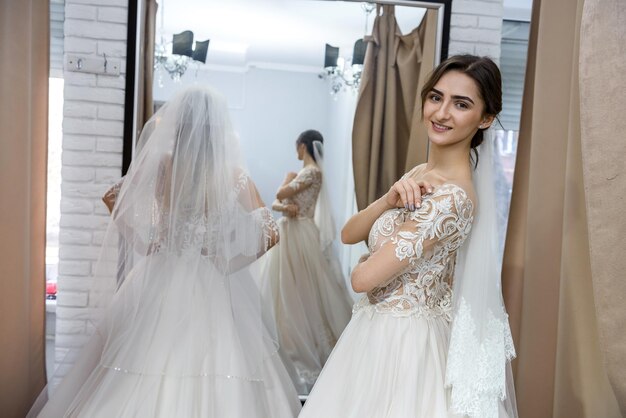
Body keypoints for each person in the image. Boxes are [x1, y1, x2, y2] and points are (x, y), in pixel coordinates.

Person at [34, 86, 301, 417]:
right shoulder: (232, 175)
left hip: (161, 273)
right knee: (222, 361)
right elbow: (272, 232)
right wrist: (228, 263)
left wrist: (147, 243)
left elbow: (112, 196)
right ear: (217, 129)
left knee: (142, 359)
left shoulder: (164, 166)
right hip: (211, 282)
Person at [300, 55, 518, 418]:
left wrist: (372, 259)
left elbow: (362, 279)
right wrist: (388, 199)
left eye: (461, 104)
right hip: (376, 334)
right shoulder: (421, 173)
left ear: (485, 118)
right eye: (436, 97)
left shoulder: (452, 198)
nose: (441, 112)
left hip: (404, 344)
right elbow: (349, 232)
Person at [260, 130, 353, 394]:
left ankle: (306, 348)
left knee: (302, 293)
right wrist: (282, 205)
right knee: (285, 290)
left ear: (303, 146)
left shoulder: (311, 172)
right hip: (291, 232)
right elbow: (277, 204)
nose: (295, 153)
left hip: (301, 234)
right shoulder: (307, 173)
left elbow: (281, 193)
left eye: (297, 147)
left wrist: (285, 182)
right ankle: (284, 343)